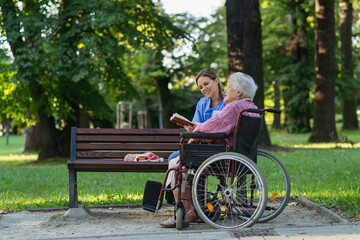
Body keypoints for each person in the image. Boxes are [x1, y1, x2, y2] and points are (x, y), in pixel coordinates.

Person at [160, 72, 259, 228]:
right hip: (230, 151)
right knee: (178, 158)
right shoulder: (250, 106)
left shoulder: (233, 106)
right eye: (200, 86)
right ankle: (192, 207)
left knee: (175, 162)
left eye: (230, 87)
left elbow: (213, 125)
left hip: (218, 152)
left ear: (238, 92)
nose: (226, 91)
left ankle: (186, 210)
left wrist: (196, 130)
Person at [167, 68, 226, 160]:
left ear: (216, 80)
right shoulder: (202, 103)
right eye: (201, 87)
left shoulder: (228, 101)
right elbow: (196, 125)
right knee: (172, 157)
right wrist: (191, 129)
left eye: (206, 84)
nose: (204, 89)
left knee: (177, 159)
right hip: (202, 145)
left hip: (219, 146)